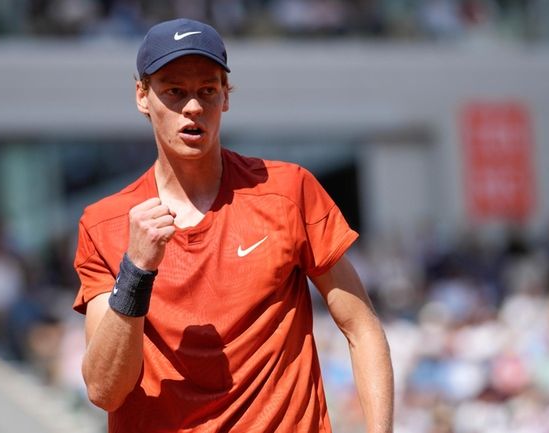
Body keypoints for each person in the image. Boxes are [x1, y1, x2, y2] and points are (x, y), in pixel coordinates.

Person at [73, 17, 394, 433]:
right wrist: (136, 270)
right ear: (142, 96)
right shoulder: (104, 223)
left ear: (225, 97)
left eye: (207, 90)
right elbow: (104, 390)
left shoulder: (288, 190)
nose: (192, 107)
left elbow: (362, 328)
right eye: (174, 91)